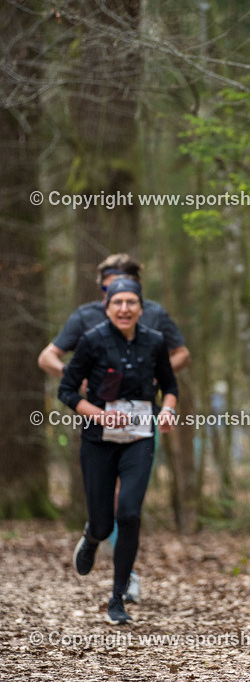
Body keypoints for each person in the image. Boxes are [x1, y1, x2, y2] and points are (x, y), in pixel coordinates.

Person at [39, 253, 190, 603]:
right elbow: (49, 356)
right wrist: (83, 382)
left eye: (128, 292)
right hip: (99, 426)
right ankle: (96, 533)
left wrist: (155, 381)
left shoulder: (153, 318)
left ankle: (124, 581)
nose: (122, 302)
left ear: (138, 292)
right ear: (103, 292)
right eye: (111, 287)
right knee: (105, 513)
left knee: (130, 506)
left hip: (140, 425)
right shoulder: (87, 321)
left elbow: (179, 358)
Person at [59, 278, 178, 624]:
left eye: (131, 302)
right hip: (98, 441)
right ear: (107, 308)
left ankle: (117, 599)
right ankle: (93, 536)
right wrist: (99, 414)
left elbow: (170, 386)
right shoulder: (92, 341)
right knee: (102, 519)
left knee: (128, 513)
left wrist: (167, 410)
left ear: (141, 307)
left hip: (140, 438)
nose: (124, 309)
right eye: (117, 303)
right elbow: (66, 390)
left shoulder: (155, 342)